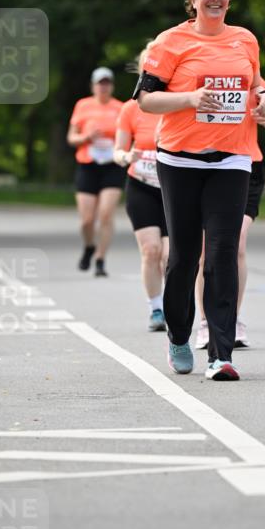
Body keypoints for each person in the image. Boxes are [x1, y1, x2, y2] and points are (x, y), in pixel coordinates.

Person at [134, 0, 265, 380]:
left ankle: (220, 353)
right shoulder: (171, 41)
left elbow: (255, 82)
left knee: (221, 253)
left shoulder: (244, 39)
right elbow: (146, 99)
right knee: (183, 257)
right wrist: (191, 98)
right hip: (179, 159)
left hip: (233, 158)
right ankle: (179, 336)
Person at [195, 80, 265, 351]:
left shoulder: (244, 67)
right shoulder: (192, 65)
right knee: (205, 250)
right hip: (202, 164)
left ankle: (232, 318)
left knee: (237, 245)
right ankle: (206, 321)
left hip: (245, 164)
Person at [114, 44, 169, 332]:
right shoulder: (130, 108)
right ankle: (156, 309)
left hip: (174, 187)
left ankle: (176, 308)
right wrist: (126, 157)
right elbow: (118, 150)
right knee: (150, 250)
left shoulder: (176, 102)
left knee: (171, 256)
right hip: (141, 185)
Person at [67, 67, 125, 277]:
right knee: (87, 220)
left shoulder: (120, 107)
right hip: (88, 164)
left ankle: (100, 259)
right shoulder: (82, 106)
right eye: (100, 83)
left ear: (112, 85)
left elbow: (129, 135)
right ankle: (89, 246)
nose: (104, 86)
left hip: (112, 165)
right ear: (93, 86)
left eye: (107, 83)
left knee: (106, 215)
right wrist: (86, 137)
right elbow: (71, 138)